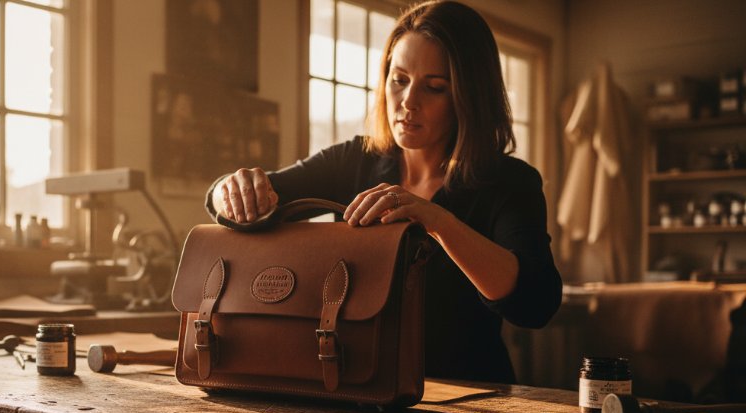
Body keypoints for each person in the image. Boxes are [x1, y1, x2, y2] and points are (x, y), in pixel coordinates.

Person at [205, 0, 562, 384]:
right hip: (356, 384)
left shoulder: (509, 181)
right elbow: (258, 197)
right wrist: (227, 191)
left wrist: (437, 221)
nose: (409, 102)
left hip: (470, 398)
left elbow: (535, 304)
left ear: (469, 96)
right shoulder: (353, 160)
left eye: (435, 87)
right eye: (399, 79)